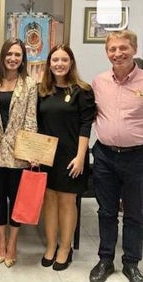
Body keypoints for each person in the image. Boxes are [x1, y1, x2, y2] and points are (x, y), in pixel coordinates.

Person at [89, 30, 143, 282]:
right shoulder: (99, 81)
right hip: (104, 156)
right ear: (106, 52)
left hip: (137, 157)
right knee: (106, 211)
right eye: (112, 49)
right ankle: (105, 259)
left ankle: (131, 262)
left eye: (123, 48)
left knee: (135, 212)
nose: (118, 53)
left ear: (134, 49)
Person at [37, 44, 95, 271]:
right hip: (47, 155)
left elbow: (85, 125)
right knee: (49, 200)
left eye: (64, 60)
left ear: (71, 63)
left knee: (67, 201)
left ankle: (65, 247)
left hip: (72, 156)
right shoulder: (42, 91)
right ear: (49, 64)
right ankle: (51, 245)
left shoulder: (83, 90)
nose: (59, 64)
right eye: (55, 60)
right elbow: (38, 125)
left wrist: (81, 157)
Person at [0, 39, 37, 267]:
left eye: (17, 54)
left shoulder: (30, 85)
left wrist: (31, 150)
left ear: (23, 58)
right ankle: (1, 241)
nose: (13, 58)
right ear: (3, 56)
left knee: (16, 200)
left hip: (19, 153)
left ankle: (13, 242)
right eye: (9, 54)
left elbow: (31, 119)